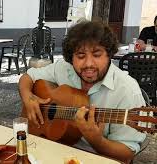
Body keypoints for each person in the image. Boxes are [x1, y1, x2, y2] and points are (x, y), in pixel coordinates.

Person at [18, 21, 146, 163]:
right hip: (52, 148)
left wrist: (97, 140)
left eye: (97, 55)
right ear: (71, 58)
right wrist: (27, 97)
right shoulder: (63, 68)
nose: (88, 64)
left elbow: (127, 155)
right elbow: (27, 77)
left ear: (109, 54)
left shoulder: (128, 91)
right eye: (80, 56)